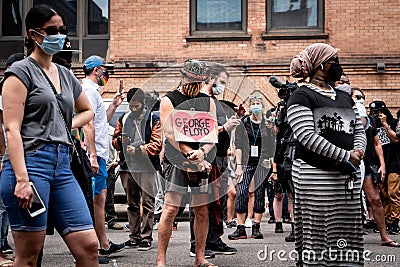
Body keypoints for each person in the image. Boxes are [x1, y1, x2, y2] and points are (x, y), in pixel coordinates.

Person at [0, 4, 99, 266]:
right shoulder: (19, 73)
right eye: (51, 30)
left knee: (89, 247)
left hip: (63, 166)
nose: (60, 35)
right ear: (34, 35)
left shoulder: (66, 75)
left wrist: (63, 122)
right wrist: (22, 180)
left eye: (63, 30)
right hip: (31, 165)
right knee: (29, 257)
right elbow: (11, 129)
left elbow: (87, 110)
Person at [287, 43, 366, 266]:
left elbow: (358, 129)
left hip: (345, 179)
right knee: (318, 235)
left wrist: (359, 151)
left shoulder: (344, 97)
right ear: (321, 65)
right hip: (315, 178)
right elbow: (306, 136)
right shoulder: (301, 96)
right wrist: (345, 155)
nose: (338, 66)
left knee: (346, 236)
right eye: (335, 61)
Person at [156, 59, 217, 267]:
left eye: (198, 83)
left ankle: (200, 257)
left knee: (201, 209)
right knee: (171, 209)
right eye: (191, 81)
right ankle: (161, 260)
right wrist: (190, 152)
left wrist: (202, 152)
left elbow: (211, 133)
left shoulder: (207, 101)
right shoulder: (169, 100)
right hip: (176, 159)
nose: (194, 87)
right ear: (183, 77)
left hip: (200, 158)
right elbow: (170, 133)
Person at [188, 64, 239, 257]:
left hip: (219, 157)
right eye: (222, 82)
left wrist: (231, 125)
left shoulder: (214, 101)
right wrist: (224, 127)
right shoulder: (199, 100)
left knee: (217, 200)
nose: (223, 86)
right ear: (211, 78)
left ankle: (214, 239)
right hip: (205, 156)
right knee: (203, 201)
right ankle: (197, 244)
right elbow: (199, 129)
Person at [81, 55, 126, 257]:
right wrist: (92, 155)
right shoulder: (89, 90)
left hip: (98, 154)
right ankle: (92, 248)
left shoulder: (93, 92)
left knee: (99, 200)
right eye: (104, 70)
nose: (106, 74)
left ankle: (104, 244)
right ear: (97, 70)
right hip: (94, 155)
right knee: (94, 201)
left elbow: (99, 122)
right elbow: (86, 123)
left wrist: (114, 105)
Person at [112, 87, 162, 250]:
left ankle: (146, 237)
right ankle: (134, 236)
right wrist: (120, 141)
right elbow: (114, 140)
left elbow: (157, 145)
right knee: (131, 204)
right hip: (127, 167)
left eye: (136, 106)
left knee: (148, 202)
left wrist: (139, 150)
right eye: (131, 106)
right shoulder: (124, 118)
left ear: (144, 103)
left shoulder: (153, 119)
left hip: (147, 167)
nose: (133, 109)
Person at [351, 89, 400, 247]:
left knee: (376, 200)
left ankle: (384, 236)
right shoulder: (344, 115)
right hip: (348, 162)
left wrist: (382, 164)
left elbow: (377, 143)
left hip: (367, 163)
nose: (360, 100)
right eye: (356, 97)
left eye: (361, 97)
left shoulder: (370, 120)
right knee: (348, 201)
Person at [228, 94, 275, 240]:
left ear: (262, 106)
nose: (256, 105)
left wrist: (272, 167)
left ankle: (256, 226)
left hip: (262, 162)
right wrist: (239, 166)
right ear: (250, 106)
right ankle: (241, 228)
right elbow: (239, 145)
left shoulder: (267, 124)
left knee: (259, 193)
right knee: (242, 191)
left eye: (258, 103)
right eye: (253, 103)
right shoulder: (244, 123)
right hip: (247, 161)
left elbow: (272, 145)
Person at [369, 100, 400, 235]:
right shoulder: (371, 127)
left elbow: (395, 140)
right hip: (379, 165)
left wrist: (385, 124)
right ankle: (386, 222)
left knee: (393, 194)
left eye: (378, 112)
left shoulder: (393, 123)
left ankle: (394, 222)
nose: (376, 115)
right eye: (373, 113)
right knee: (384, 195)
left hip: (394, 163)